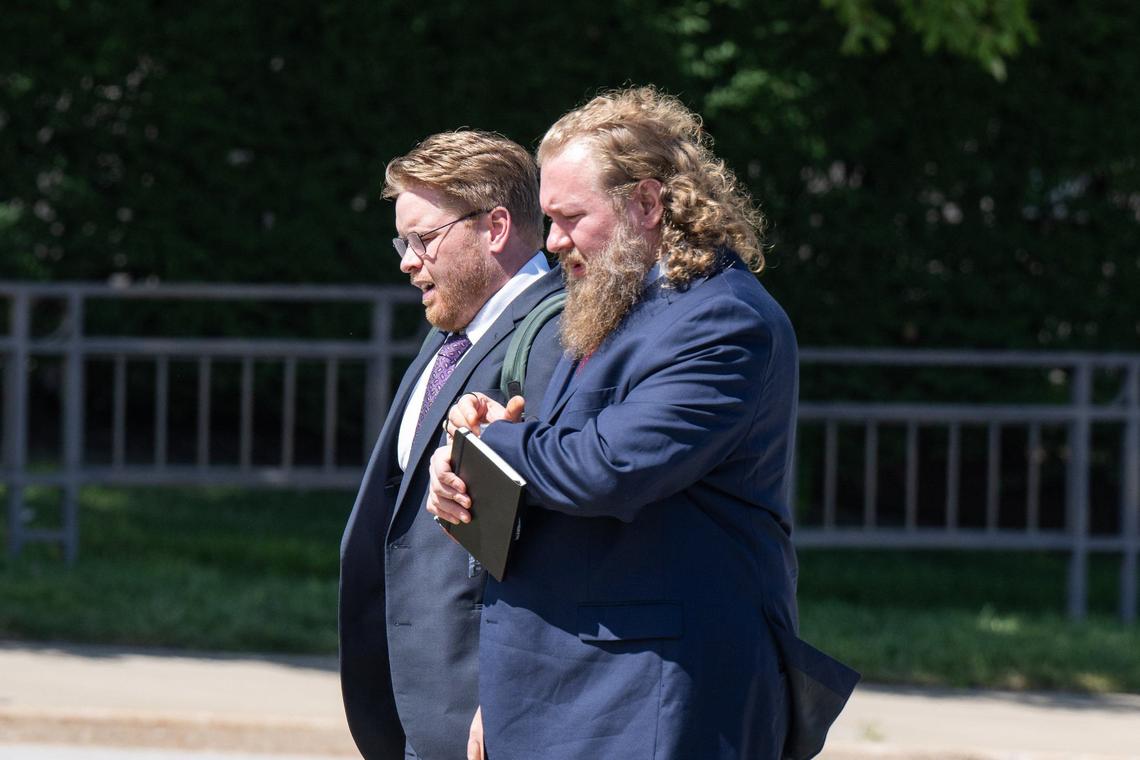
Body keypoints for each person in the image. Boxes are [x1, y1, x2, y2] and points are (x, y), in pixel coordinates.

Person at [429, 87, 858, 760]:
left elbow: (609, 469)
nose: (554, 243)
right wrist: (466, 469)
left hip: (656, 697)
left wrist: (493, 442)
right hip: (561, 684)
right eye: (548, 219)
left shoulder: (725, 319)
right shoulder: (616, 302)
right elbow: (560, 470)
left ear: (648, 204)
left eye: (571, 217)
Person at [339, 130, 565, 760]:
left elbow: (557, 538)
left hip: (480, 712)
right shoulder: (458, 326)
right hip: (424, 700)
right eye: (401, 241)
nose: (408, 261)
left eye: (423, 239)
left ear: (495, 228)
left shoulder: (551, 338)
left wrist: (511, 693)